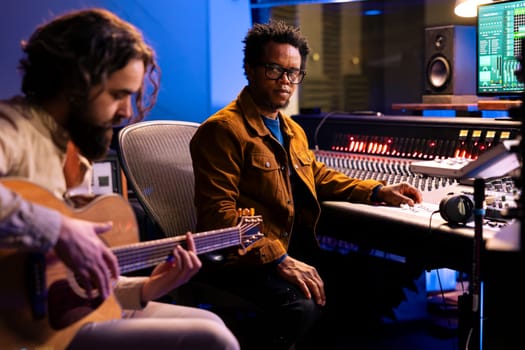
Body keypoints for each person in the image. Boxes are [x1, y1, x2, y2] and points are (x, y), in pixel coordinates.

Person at [0, 8, 239, 350]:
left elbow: (67, 280)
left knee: (212, 322)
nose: (127, 112)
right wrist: (58, 228)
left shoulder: (70, 154)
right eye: (117, 94)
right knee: (211, 338)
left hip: (54, 316)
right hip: (19, 333)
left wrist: (145, 288)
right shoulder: (12, 126)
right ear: (75, 83)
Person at [189, 19, 424, 350]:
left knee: (375, 280)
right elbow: (217, 217)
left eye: (293, 72)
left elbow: (318, 176)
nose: (286, 81)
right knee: (301, 306)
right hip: (243, 261)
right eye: (274, 70)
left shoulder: (291, 130)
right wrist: (278, 259)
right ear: (250, 70)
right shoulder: (223, 131)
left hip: (290, 249)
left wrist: (376, 191)